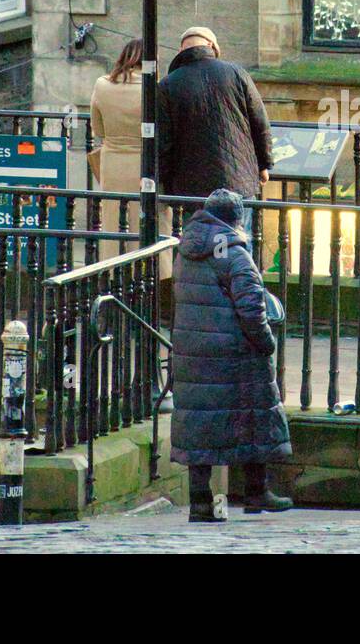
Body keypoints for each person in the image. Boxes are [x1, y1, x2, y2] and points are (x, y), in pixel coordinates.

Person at [170, 189, 293, 522]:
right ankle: (257, 491)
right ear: (236, 219)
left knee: (199, 421)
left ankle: (200, 501)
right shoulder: (234, 252)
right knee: (255, 413)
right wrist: (266, 343)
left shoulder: (185, 251)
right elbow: (252, 307)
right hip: (233, 351)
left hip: (193, 353)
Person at [158, 27, 273, 233]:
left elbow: (163, 142)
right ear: (211, 46)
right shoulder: (237, 73)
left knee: (198, 246)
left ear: (181, 49)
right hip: (238, 180)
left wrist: (165, 183)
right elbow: (259, 121)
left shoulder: (168, 85)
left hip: (191, 188)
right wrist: (264, 164)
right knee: (239, 244)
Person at [89, 40, 142, 260]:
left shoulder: (102, 85)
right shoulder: (155, 88)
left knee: (111, 221)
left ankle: (111, 273)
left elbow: (97, 128)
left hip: (112, 161)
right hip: (143, 162)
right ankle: (152, 276)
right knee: (147, 221)